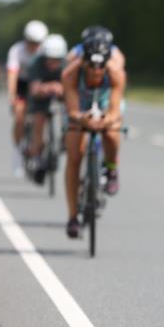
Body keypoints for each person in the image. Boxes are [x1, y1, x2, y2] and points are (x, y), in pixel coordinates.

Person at [61, 36, 127, 238]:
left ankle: (111, 168)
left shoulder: (115, 73)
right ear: (83, 62)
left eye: (101, 67)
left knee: (113, 132)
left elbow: (115, 110)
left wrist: (106, 120)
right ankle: (73, 216)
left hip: (106, 108)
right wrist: (83, 119)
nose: (97, 72)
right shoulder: (70, 74)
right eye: (91, 67)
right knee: (74, 156)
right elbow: (72, 111)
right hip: (80, 110)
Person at [6, 20, 48, 176]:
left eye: (37, 43)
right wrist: (12, 96)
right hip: (22, 84)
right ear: (26, 40)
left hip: (40, 83)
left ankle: (40, 148)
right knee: (19, 116)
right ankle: (17, 151)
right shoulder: (17, 50)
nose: (34, 46)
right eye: (31, 43)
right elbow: (12, 74)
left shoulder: (46, 50)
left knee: (42, 117)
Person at [25, 33, 68, 183]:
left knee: (70, 110)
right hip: (40, 97)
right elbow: (34, 90)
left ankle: (65, 138)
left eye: (56, 60)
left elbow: (72, 89)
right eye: (49, 58)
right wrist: (49, 87)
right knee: (39, 118)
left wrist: (61, 89)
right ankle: (37, 153)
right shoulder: (36, 64)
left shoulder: (67, 65)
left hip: (61, 96)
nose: (52, 63)